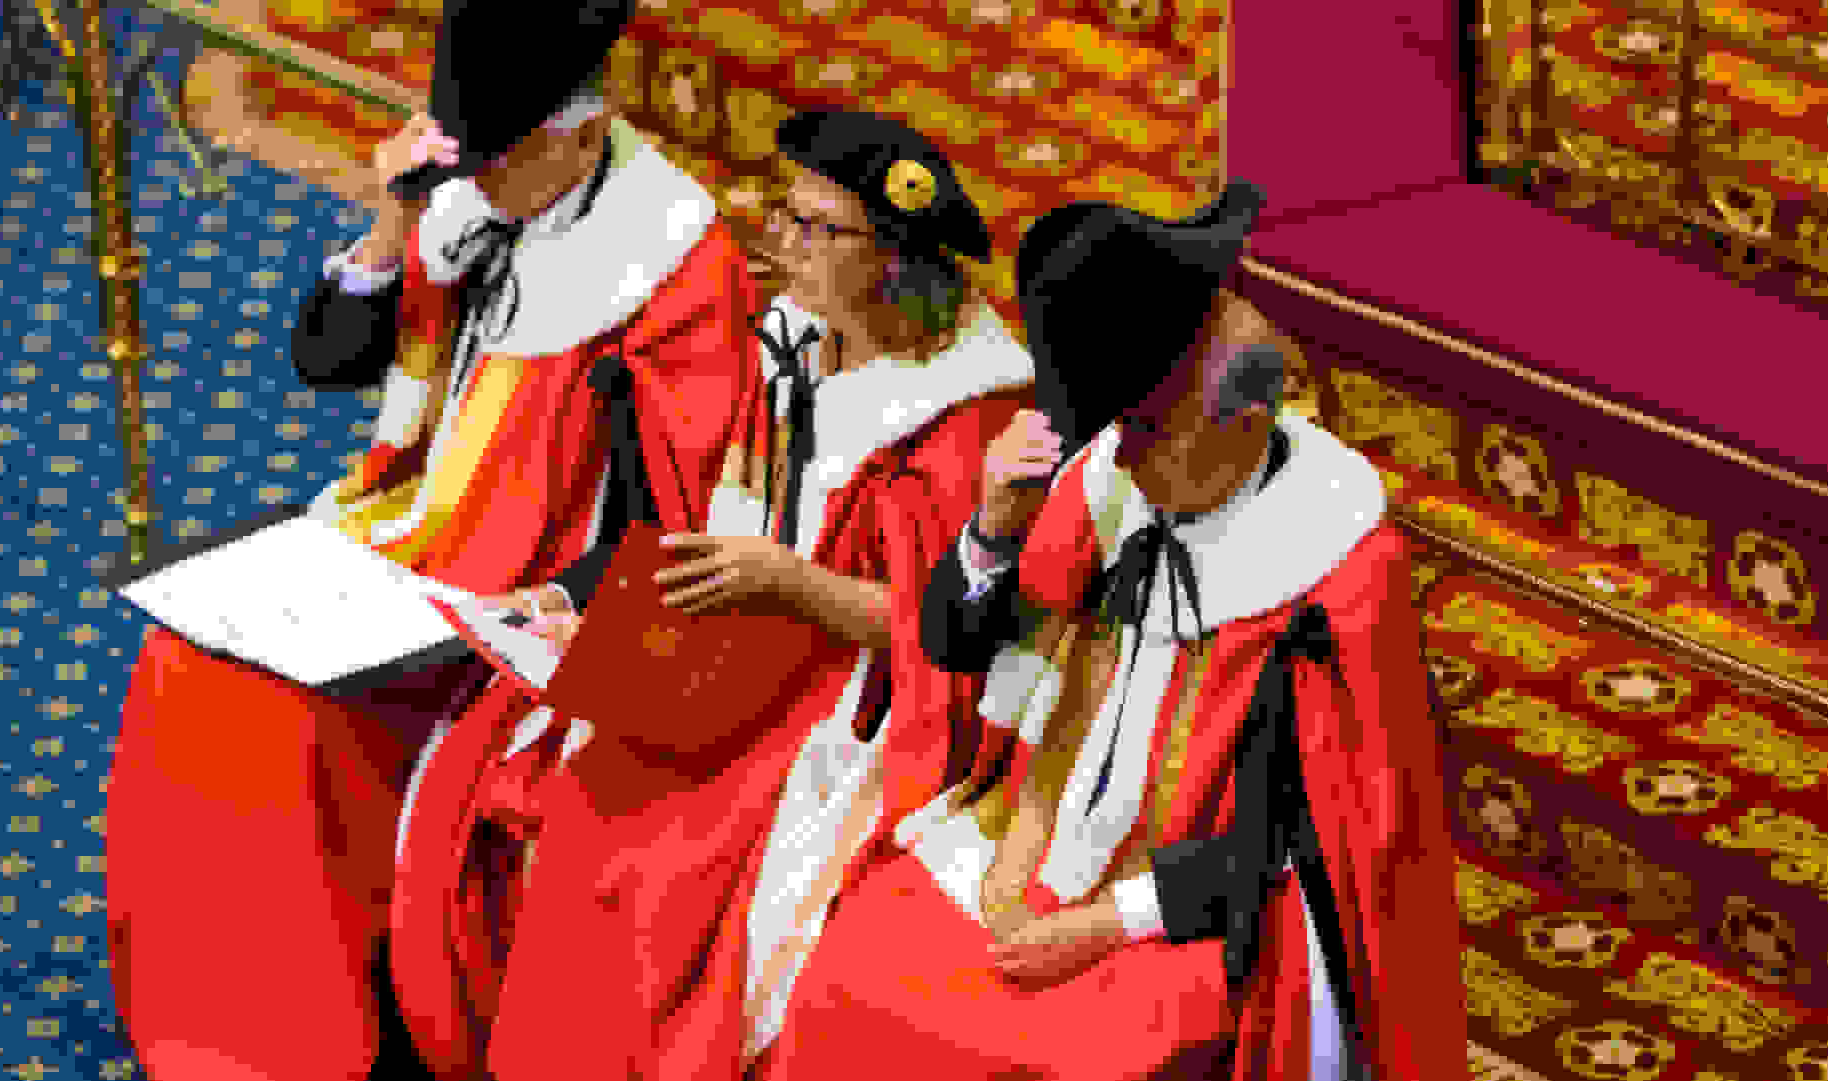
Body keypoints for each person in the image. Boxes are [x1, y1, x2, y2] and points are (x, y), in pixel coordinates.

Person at [101, 1, 766, 1078]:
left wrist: (542, 602)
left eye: (496, 162)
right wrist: (386, 225)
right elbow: (324, 358)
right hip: (396, 550)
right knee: (186, 661)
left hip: (522, 613)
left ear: (581, 135)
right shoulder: (463, 199)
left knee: (286, 719)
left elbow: (671, 522)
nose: (476, 184)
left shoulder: (675, 271)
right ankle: (201, 1023)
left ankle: (296, 1044)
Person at [738, 185, 1468, 1079]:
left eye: (1147, 430)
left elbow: (1322, 839)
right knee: (844, 981)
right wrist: (992, 534)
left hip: (1195, 909)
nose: (1117, 455)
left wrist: (1105, 921)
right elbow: (957, 650)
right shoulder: (1106, 481)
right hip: (1027, 834)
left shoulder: (1333, 580)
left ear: (1244, 418)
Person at [387, 108, 1036, 1081]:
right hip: (728, 647)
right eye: (784, 215)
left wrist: (792, 585)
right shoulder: (790, 339)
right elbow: (715, 505)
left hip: (850, 699)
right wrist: (588, 600)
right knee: (545, 778)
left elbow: (941, 634)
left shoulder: (964, 417)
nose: (783, 242)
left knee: (665, 868)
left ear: (894, 260)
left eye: (819, 228)